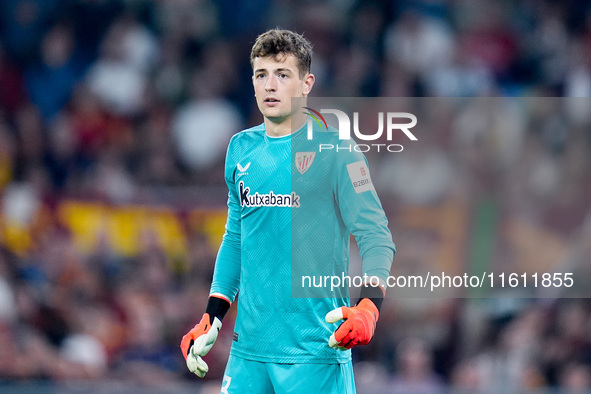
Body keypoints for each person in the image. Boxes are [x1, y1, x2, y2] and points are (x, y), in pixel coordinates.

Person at [180, 28, 396, 393]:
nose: (270, 85)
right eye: (261, 75)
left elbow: (376, 236)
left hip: (315, 352)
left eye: (282, 75)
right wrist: (212, 317)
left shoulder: (338, 152)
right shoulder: (240, 149)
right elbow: (236, 239)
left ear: (306, 83)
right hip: (248, 355)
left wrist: (368, 308)